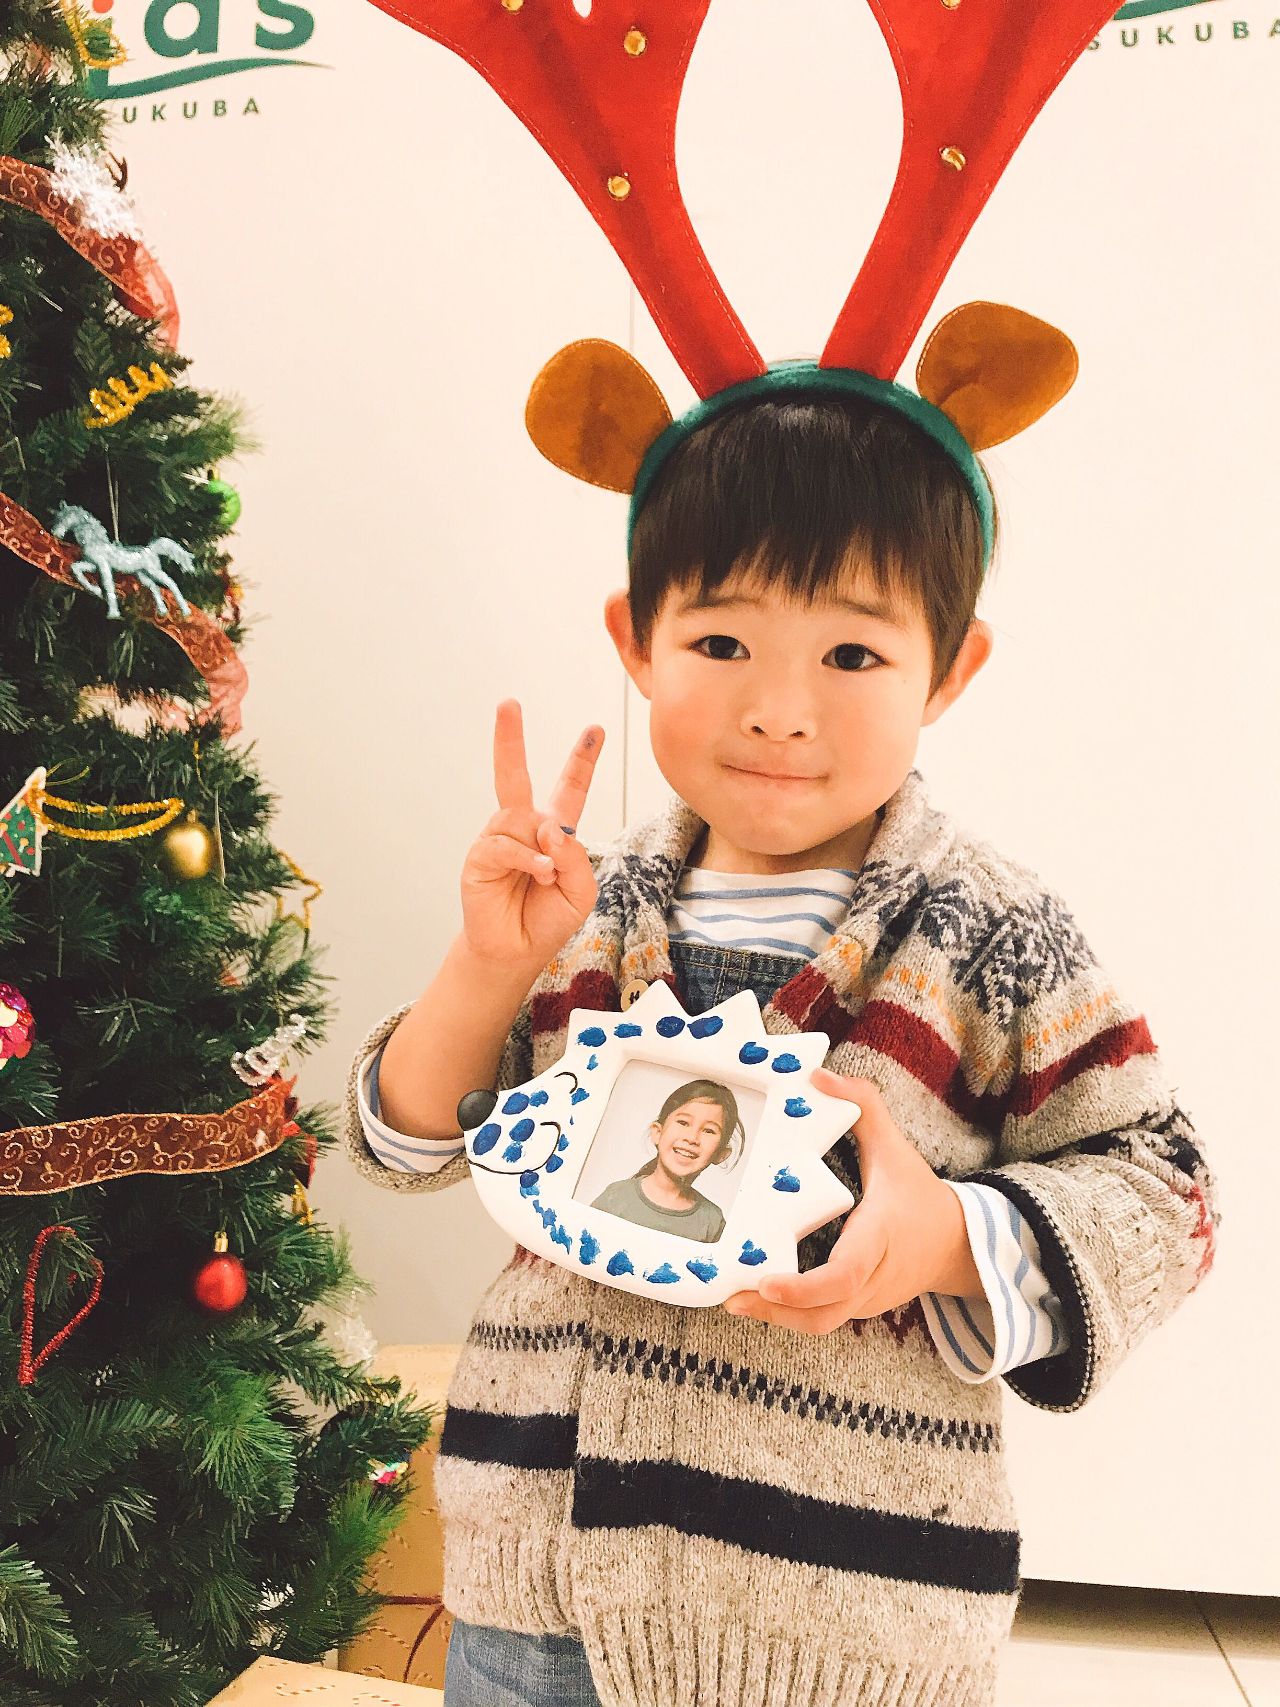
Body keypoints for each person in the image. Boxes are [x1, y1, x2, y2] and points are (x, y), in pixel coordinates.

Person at [343, 389, 1220, 1707]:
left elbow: (1166, 1188)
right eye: (720, 640)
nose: (778, 709)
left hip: (844, 1620)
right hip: (534, 1601)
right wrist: (487, 963)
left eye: (852, 654)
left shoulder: (991, 931)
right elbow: (410, 1138)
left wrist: (943, 1236)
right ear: (636, 641)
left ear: (951, 667)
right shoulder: (589, 904)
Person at [589, 1077, 745, 1245]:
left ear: (721, 1154)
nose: (692, 1138)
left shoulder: (711, 1222)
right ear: (657, 1133)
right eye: (683, 1122)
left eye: (708, 1130)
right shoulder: (616, 1196)